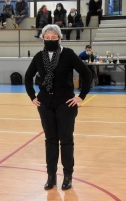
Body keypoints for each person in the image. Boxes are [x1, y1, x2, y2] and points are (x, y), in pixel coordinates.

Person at [25, 24, 92, 191]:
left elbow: (86, 73)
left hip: (66, 104)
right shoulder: (39, 57)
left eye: (53, 38)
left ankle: (68, 175)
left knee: (66, 140)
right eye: (47, 38)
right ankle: (51, 176)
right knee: (50, 140)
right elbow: (28, 77)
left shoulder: (68, 54)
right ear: (43, 39)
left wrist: (81, 96)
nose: (50, 40)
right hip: (45, 104)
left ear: (59, 38)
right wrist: (33, 97)